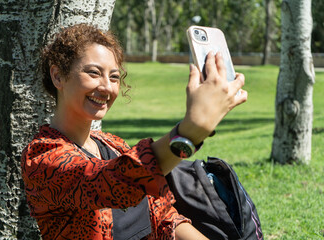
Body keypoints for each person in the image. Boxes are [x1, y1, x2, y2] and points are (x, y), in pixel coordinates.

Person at [21, 23, 247, 240]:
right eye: (93, 73)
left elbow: (163, 217)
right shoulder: (42, 159)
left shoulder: (112, 145)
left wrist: (195, 129)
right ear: (58, 76)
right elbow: (118, 181)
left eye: (114, 77)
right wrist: (191, 130)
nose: (107, 87)